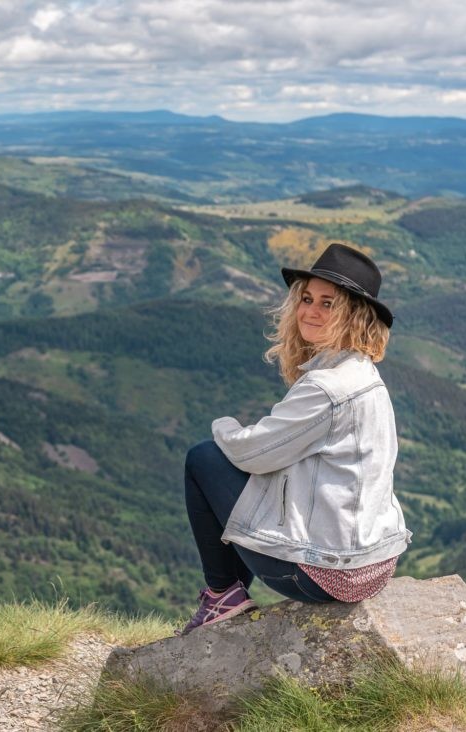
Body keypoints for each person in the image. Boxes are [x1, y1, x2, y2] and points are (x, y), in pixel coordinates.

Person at [180, 242, 411, 634]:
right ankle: (229, 596)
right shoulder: (365, 375)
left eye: (328, 303)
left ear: (354, 316)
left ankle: (222, 594)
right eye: (307, 298)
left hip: (326, 574)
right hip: (374, 565)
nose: (310, 311)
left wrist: (225, 426)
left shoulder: (327, 387)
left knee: (204, 459)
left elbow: (251, 453)